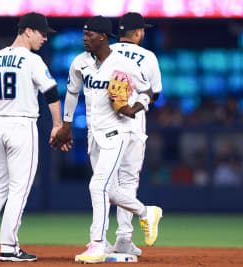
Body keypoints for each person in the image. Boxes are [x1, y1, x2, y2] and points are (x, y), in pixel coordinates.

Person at [52, 15, 162, 264]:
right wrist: (66, 126)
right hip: (94, 133)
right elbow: (71, 94)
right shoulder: (79, 63)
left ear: (102, 36)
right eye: (83, 33)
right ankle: (147, 212)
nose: (83, 38)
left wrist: (136, 107)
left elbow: (150, 92)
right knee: (110, 190)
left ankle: (97, 244)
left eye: (88, 34)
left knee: (97, 186)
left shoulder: (123, 63)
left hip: (118, 131)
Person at [0, 12, 62, 262]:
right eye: (42, 33)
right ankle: (9, 247)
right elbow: (51, 95)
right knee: (18, 189)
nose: (45, 38)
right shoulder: (32, 61)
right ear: (28, 31)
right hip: (22, 126)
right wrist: (57, 126)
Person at [107, 12, 163, 257]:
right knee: (127, 182)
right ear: (138, 32)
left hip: (106, 125)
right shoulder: (147, 56)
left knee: (105, 182)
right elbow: (155, 93)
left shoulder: (105, 52)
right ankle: (124, 237)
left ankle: (102, 238)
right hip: (134, 125)